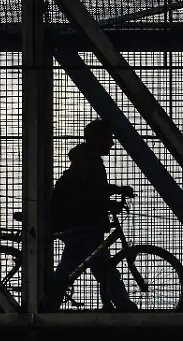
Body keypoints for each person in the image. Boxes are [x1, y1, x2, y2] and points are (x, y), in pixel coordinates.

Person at [46, 119, 139, 311]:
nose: (112, 143)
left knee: (101, 269)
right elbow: (91, 192)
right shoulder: (90, 162)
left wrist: (112, 194)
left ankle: (50, 304)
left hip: (76, 222)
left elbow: (90, 191)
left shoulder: (85, 160)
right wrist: (113, 197)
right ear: (98, 138)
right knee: (99, 270)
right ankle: (48, 306)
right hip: (82, 224)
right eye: (109, 138)